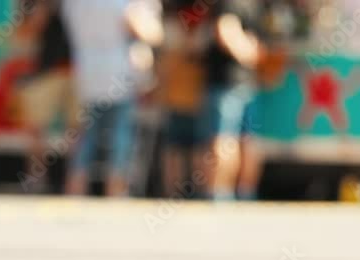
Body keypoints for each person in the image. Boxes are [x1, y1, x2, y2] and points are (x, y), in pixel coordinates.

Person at [60, 0, 163, 197]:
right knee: (120, 138)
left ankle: (74, 193)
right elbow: (147, 31)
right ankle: (115, 194)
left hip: (86, 71)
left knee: (85, 138)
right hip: (119, 73)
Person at [199, 0, 263, 200]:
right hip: (246, 81)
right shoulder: (253, 5)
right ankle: (244, 196)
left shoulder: (229, 3)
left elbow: (224, 31)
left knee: (225, 140)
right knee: (246, 140)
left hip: (226, 82)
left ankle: (219, 195)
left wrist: (245, 53)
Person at [18, 0, 77, 193]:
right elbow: (29, 29)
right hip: (48, 71)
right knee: (36, 128)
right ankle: (36, 181)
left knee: (76, 130)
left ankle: (73, 183)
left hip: (77, 70)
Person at [158, 0, 208, 198]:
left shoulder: (172, 28)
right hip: (184, 98)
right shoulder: (197, 29)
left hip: (190, 99)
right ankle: (182, 194)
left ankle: (182, 194)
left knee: (184, 148)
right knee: (181, 148)